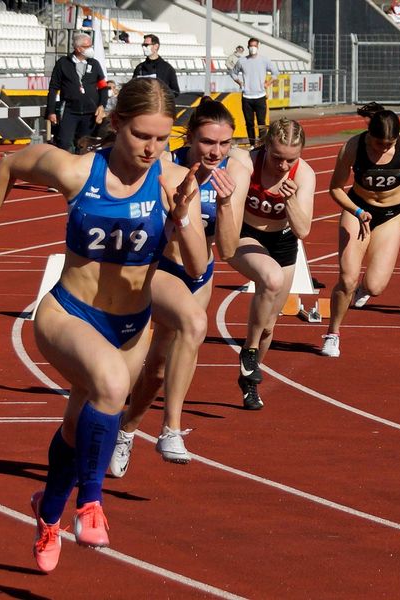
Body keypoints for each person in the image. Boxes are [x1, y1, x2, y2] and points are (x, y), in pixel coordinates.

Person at [0, 78, 207, 572]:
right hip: (70, 313)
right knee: (113, 386)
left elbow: (200, 264)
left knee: (80, 429)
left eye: (162, 138)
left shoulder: (170, 180)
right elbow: (10, 164)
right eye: (142, 135)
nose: (152, 148)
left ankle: (48, 511)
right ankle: (91, 503)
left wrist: (183, 216)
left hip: (130, 325)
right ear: (117, 124)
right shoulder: (78, 170)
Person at [109, 97, 251, 475]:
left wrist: (224, 204)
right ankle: (171, 429)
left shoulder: (234, 171)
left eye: (223, 144)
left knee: (155, 370)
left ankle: (125, 432)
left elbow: (231, 247)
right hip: (158, 268)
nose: (215, 152)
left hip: (199, 275)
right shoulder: (165, 168)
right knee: (194, 324)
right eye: (207, 142)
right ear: (189, 138)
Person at [321, 108, 400, 358]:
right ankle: (332, 333)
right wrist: (357, 211)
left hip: (391, 215)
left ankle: (361, 291)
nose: (383, 149)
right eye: (379, 144)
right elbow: (335, 188)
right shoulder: (353, 147)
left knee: (375, 286)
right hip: (357, 209)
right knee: (347, 278)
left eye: (389, 144)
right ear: (369, 134)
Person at [227, 118, 316, 409]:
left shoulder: (304, 175)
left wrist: (290, 202)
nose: (282, 165)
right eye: (277, 157)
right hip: (245, 235)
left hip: (283, 241)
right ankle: (249, 351)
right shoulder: (249, 162)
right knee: (272, 278)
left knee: (268, 326)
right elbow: (224, 149)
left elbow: (303, 231)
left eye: (290, 158)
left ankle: (249, 381)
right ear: (266, 147)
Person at [46, 32, 108, 153]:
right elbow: (53, 88)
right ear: (78, 48)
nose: (91, 49)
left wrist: (102, 105)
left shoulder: (94, 64)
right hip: (69, 111)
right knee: (63, 143)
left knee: (84, 145)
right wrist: (51, 111)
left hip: (90, 113)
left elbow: (103, 87)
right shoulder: (63, 63)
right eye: (88, 46)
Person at [229, 38, 279, 148]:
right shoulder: (242, 61)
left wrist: (268, 83)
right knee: (249, 123)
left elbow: (276, 73)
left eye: (255, 46)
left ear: (258, 47)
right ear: (248, 47)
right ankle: (252, 144)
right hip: (247, 97)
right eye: (251, 46)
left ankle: (263, 144)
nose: (253, 48)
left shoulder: (264, 60)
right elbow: (233, 73)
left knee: (261, 123)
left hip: (260, 96)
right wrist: (239, 82)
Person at [133, 34, 180, 98]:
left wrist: (160, 94)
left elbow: (175, 92)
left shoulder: (167, 68)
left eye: (146, 45)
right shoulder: (139, 68)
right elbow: (132, 88)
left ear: (156, 46)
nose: (144, 48)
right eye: (143, 45)